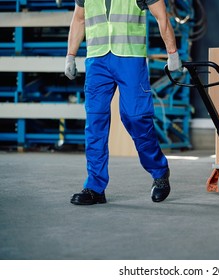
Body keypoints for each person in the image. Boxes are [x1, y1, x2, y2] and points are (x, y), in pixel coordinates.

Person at [65, 0, 182, 204]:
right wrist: (70, 55)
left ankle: (159, 172)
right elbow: (79, 18)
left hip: (130, 58)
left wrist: (172, 53)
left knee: (136, 117)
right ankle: (95, 187)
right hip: (97, 60)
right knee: (95, 122)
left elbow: (161, 16)